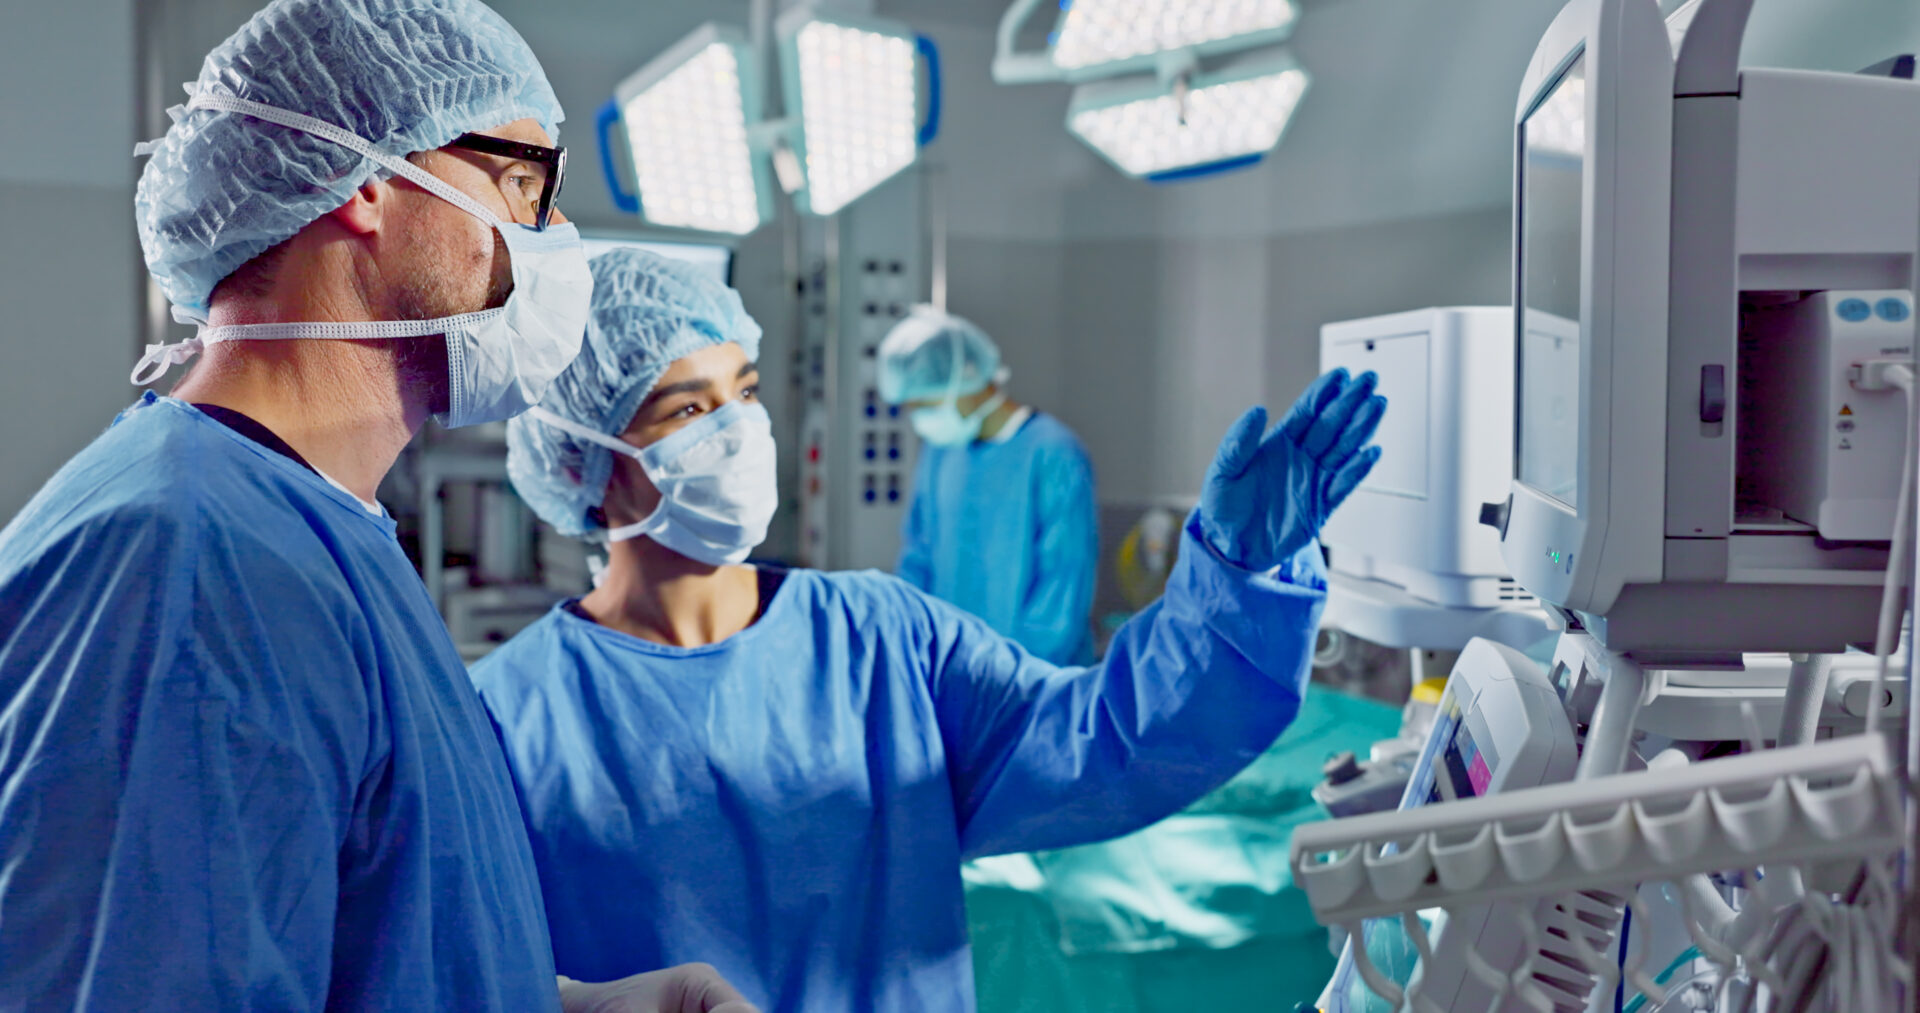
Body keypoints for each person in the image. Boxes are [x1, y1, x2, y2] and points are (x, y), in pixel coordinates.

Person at [0, 2, 750, 1010]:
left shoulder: (311, 528)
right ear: (369, 183)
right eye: (523, 183)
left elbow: (359, 939)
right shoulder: (188, 563)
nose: (552, 238)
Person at [473, 248, 1388, 1013]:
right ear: (583, 459)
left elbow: (1111, 738)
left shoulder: (883, 641)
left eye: (743, 391)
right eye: (687, 408)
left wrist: (1235, 574)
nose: (739, 431)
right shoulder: (504, 717)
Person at [877, 308, 1099, 664]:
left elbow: (1060, 599)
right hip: (951, 675)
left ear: (964, 378)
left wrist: (1008, 683)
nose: (917, 416)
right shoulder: (939, 453)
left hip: (1035, 684)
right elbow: (917, 560)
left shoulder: (1053, 455)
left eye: (924, 402)